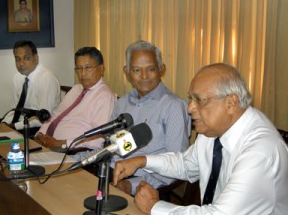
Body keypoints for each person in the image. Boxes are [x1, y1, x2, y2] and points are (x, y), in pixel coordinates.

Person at [113, 63, 288, 215]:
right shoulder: (213, 130)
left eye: (200, 100)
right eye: (191, 99)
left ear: (231, 103)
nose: (190, 108)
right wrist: (142, 161)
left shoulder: (260, 151)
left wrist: (154, 207)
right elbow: (186, 164)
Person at [104, 40, 190, 197]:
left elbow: (175, 165)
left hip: (144, 185)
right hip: (109, 172)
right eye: (137, 70)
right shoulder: (122, 102)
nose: (144, 76)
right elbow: (111, 145)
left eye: (151, 69)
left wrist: (131, 185)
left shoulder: (173, 106)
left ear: (161, 69)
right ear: (127, 71)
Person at [35, 47, 116, 151]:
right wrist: (41, 134)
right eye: (78, 68)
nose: (82, 73)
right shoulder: (76, 88)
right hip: (47, 144)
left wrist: (61, 144)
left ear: (101, 69)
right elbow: (56, 115)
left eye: (88, 68)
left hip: (70, 151)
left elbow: (98, 139)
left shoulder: (105, 97)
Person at [3, 40, 60, 136]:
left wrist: (14, 127)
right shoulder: (18, 77)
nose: (21, 63)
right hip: (19, 125)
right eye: (17, 59)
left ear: (36, 58)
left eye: (26, 58)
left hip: (40, 130)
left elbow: (43, 119)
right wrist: (4, 123)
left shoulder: (46, 78)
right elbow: (14, 109)